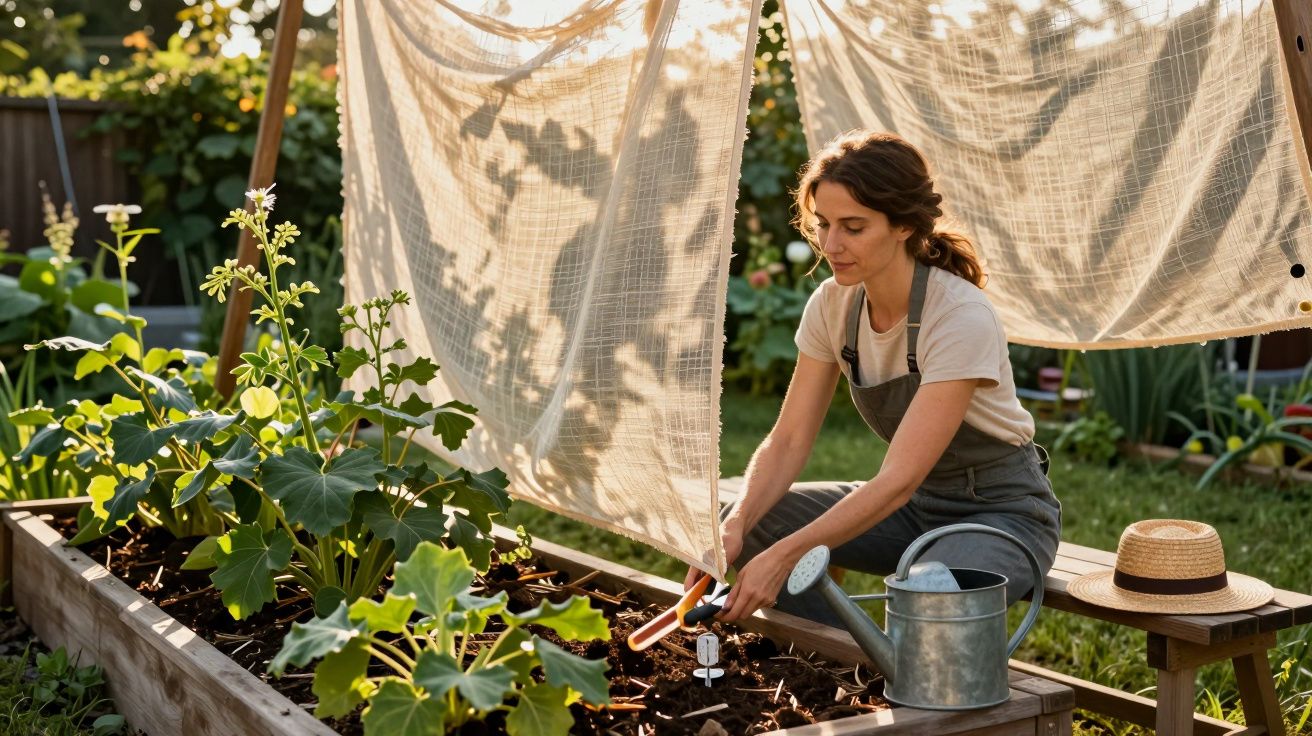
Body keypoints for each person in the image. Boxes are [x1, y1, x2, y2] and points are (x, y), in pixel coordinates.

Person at [688, 130, 1061, 626]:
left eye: (854, 227)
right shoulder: (833, 304)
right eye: (824, 224)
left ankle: (882, 661)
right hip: (913, 508)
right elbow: (789, 440)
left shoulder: (958, 315)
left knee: (928, 600)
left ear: (903, 225)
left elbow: (897, 481)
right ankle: (834, 657)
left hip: (999, 514)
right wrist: (734, 526)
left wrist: (782, 559)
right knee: (749, 519)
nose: (832, 245)